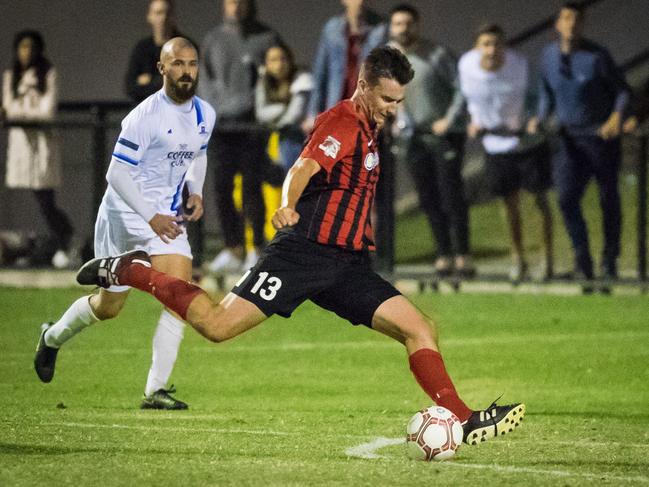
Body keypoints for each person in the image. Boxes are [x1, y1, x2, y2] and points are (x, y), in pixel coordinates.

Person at [68, 46, 525, 445]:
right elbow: (302, 169)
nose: (393, 108)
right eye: (386, 99)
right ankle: (130, 271)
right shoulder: (343, 120)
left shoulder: (370, 125)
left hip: (345, 265)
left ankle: (463, 420)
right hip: (302, 253)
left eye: (399, 100)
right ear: (362, 86)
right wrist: (286, 205)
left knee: (420, 328)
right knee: (216, 326)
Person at [34, 38, 216, 410]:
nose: (186, 71)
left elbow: (198, 153)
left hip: (166, 219)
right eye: (177, 64)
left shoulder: (205, 114)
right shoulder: (145, 116)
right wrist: (150, 216)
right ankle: (51, 338)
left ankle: (155, 390)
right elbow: (116, 173)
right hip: (125, 215)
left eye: (192, 64)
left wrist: (195, 190)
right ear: (162, 69)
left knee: (179, 296)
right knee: (108, 307)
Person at [529, 2, 629, 282]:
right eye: (567, 18)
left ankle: (610, 260)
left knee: (608, 198)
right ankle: (582, 259)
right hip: (567, 140)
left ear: (583, 24)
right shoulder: (548, 56)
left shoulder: (597, 56)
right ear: (557, 24)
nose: (572, 23)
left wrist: (616, 117)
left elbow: (622, 91)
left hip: (600, 139)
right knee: (566, 198)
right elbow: (546, 92)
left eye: (577, 19)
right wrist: (539, 117)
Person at [459, 24, 554, 282]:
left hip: (526, 142)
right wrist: (474, 121)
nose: (492, 50)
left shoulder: (519, 66)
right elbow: (470, 99)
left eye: (497, 44)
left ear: (504, 46)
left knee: (538, 201)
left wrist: (534, 118)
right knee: (508, 203)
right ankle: (518, 259)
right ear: (477, 47)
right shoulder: (467, 66)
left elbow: (538, 95)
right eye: (486, 44)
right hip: (494, 144)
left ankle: (546, 258)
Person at [388, 4, 473, 277]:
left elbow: (461, 88)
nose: (404, 29)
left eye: (408, 23)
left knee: (451, 194)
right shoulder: (387, 59)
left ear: (417, 25)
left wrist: (448, 119)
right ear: (392, 28)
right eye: (398, 24)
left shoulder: (436, 54)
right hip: (414, 137)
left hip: (444, 135)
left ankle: (463, 254)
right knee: (428, 197)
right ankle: (443, 254)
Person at [200, 0, 281, 274]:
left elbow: (278, 77)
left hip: (252, 127)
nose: (236, 7)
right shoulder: (213, 39)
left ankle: (255, 247)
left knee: (251, 188)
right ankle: (233, 247)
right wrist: (217, 111)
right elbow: (205, 82)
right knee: (221, 188)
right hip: (221, 128)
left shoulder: (267, 38)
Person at [1, 30, 74, 269]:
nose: (26, 53)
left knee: (45, 197)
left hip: (41, 143)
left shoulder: (47, 74)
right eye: (22, 47)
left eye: (31, 47)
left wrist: (18, 112)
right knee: (39, 197)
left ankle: (65, 237)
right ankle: (60, 238)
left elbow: (45, 111)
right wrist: (18, 112)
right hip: (23, 144)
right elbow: (8, 108)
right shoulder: (11, 76)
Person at [303, 0, 386, 133]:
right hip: (337, 104)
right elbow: (320, 73)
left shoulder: (381, 29)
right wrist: (312, 113)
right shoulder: (332, 28)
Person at [255, 43, 313, 174]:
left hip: (301, 139)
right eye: (273, 60)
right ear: (267, 64)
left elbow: (293, 116)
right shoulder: (264, 82)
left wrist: (274, 122)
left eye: (283, 59)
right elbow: (261, 113)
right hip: (274, 139)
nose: (279, 65)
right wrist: (282, 108)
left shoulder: (302, 79)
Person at [124, 0, 183, 104]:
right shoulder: (141, 49)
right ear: (149, 16)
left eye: (167, 13)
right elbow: (129, 87)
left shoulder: (185, 47)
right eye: (158, 13)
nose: (163, 18)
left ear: (173, 16)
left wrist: (149, 80)